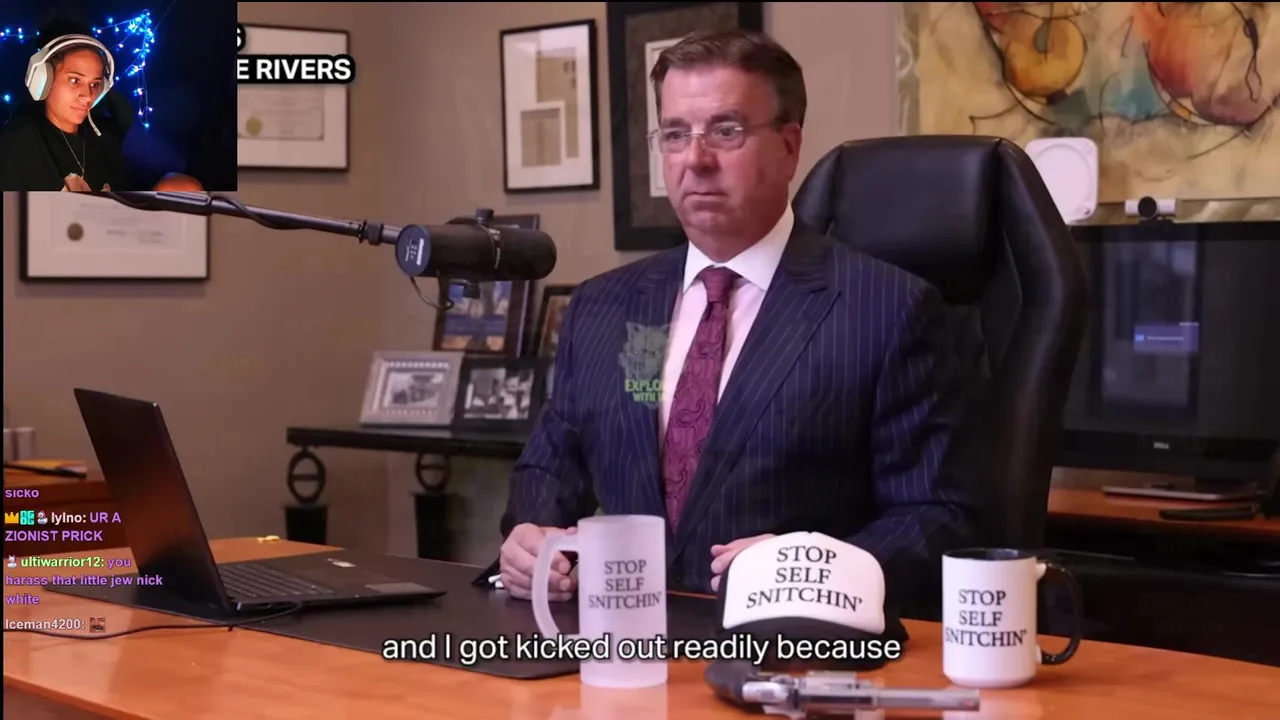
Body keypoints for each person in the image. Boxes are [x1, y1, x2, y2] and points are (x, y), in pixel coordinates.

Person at [499, 29, 982, 610]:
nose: (695, 159)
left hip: (787, 645)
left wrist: (812, 570)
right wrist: (529, 538)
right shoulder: (604, 306)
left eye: (726, 131)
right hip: (621, 640)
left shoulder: (888, 309)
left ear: (789, 147)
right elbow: (550, 468)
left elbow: (938, 515)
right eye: (675, 134)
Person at [0, 19, 139, 191]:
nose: (88, 96)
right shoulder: (18, 144)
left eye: (95, 84)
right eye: (75, 80)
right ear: (44, 78)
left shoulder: (105, 139)